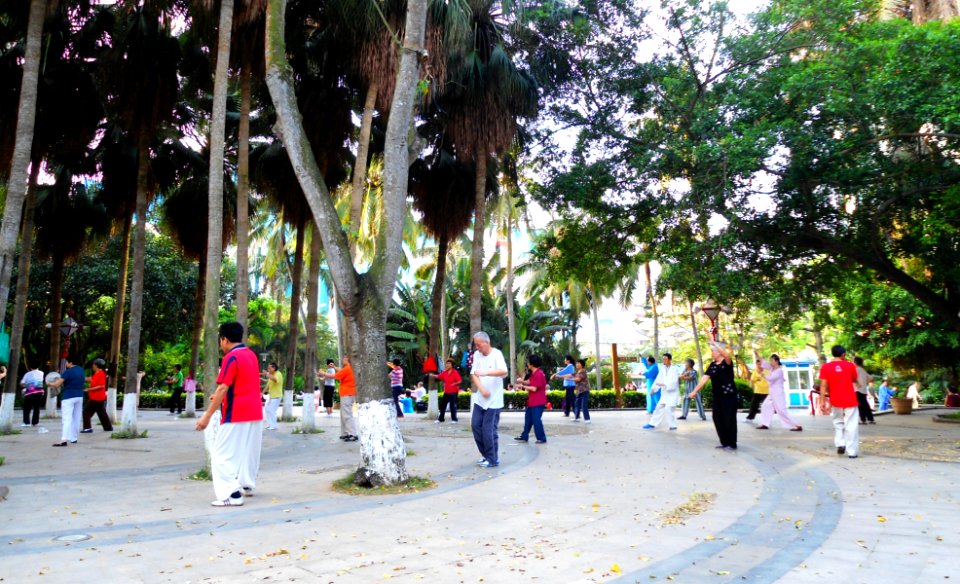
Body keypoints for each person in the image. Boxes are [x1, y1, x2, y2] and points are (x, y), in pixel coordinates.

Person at [195, 322, 264, 506]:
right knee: (248, 451)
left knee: (219, 455)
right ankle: (246, 485)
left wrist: (206, 416)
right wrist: (218, 397)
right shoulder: (251, 355)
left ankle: (231, 495)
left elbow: (223, 387)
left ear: (224, 339)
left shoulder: (231, 358)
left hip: (237, 413)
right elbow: (242, 383)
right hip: (255, 411)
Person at [689, 341, 738, 450]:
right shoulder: (712, 365)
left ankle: (732, 443)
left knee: (729, 419)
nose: (712, 354)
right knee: (717, 418)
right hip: (717, 396)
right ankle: (724, 442)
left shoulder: (727, 362)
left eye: (713, 352)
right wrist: (695, 391)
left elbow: (727, 355)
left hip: (729, 396)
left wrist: (716, 345)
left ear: (719, 352)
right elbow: (704, 379)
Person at [470, 331, 508, 468]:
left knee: (489, 430)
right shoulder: (476, 355)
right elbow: (474, 374)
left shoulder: (497, 354)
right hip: (480, 399)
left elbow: (504, 371)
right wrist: (482, 389)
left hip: (494, 401)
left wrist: (486, 373)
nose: (477, 348)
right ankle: (485, 455)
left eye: (479, 345)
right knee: (475, 426)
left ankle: (492, 459)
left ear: (487, 342)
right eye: (476, 345)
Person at [819, 345, 860, 459]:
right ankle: (852, 452)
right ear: (843, 354)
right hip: (850, 399)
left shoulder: (825, 367)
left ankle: (840, 443)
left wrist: (822, 401)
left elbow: (823, 385)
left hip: (835, 400)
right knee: (851, 425)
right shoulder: (850, 365)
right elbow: (853, 379)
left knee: (838, 422)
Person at [755, 353, 802, 432]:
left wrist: (763, 374)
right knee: (765, 406)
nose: (770, 362)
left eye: (772, 360)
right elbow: (764, 363)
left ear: (776, 361)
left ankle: (796, 425)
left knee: (781, 410)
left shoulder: (779, 371)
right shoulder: (772, 369)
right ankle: (765, 424)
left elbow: (770, 379)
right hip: (772, 392)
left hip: (778, 393)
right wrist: (757, 355)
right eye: (770, 360)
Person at [49, 355, 85, 447]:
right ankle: (74, 438)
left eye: (68, 362)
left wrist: (49, 383)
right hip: (79, 396)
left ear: (71, 363)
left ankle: (64, 439)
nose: (67, 364)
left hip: (69, 396)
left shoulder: (68, 372)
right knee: (76, 418)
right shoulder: (81, 370)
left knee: (67, 418)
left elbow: (57, 384)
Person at [322, 356, 357, 441]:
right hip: (346, 394)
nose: (342, 360)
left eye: (344, 358)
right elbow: (340, 371)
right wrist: (334, 367)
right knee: (343, 415)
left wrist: (323, 373)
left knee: (347, 415)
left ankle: (352, 434)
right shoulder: (348, 368)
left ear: (348, 360)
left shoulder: (348, 368)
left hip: (347, 394)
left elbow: (336, 376)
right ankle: (345, 433)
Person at [515, 354, 548, 443]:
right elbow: (529, 381)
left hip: (538, 402)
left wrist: (522, 386)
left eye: (528, 363)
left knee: (536, 420)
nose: (527, 364)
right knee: (528, 419)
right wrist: (522, 381)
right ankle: (524, 436)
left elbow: (534, 388)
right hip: (532, 402)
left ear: (532, 364)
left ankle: (541, 438)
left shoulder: (539, 374)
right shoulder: (535, 373)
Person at [644, 352, 681, 430]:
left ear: (670, 360)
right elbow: (658, 379)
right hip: (664, 393)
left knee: (669, 409)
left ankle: (672, 425)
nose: (664, 360)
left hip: (672, 393)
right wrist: (653, 389)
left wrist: (665, 384)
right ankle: (652, 423)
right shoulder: (662, 369)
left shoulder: (675, 369)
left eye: (665, 359)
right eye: (663, 359)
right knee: (658, 407)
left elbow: (674, 381)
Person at [81, 358, 113, 433]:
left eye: (93, 364)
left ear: (96, 365)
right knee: (101, 413)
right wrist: (81, 378)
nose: (92, 366)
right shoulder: (97, 373)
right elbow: (91, 379)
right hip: (99, 397)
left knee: (86, 412)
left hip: (97, 397)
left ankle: (87, 428)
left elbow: (102, 386)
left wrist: (89, 389)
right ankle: (108, 427)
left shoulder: (101, 374)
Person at [431, 358, 462, 423]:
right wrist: (432, 375)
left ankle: (454, 419)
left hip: (453, 392)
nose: (447, 365)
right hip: (447, 392)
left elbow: (460, 381)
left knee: (452, 406)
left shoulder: (455, 372)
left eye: (449, 363)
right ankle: (441, 419)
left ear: (452, 365)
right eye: (446, 364)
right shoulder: (445, 372)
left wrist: (454, 383)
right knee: (443, 405)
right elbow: (439, 376)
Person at [20, 362, 47, 432]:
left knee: (27, 408)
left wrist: (26, 385)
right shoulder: (42, 373)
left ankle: (26, 422)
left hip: (29, 393)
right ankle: (35, 422)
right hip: (39, 392)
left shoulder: (27, 374)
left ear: (30, 367)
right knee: (36, 408)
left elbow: (22, 383)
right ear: (38, 366)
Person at [853, 357, 875, 424]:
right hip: (864, 390)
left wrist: (858, 383)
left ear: (855, 362)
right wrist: (866, 382)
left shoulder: (856, 370)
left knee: (860, 405)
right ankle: (870, 419)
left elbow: (852, 378)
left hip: (857, 390)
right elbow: (871, 378)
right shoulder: (863, 370)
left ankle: (863, 419)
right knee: (865, 404)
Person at [261, 362, 282, 431]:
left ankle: (274, 426)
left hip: (276, 396)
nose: (268, 369)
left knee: (272, 411)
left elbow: (275, 380)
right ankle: (271, 425)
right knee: (267, 409)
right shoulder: (272, 375)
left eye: (269, 368)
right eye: (268, 368)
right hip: (271, 396)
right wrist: (262, 393)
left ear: (274, 368)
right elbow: (267, 385)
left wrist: (267, 374)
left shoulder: (278, 374)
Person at [572, 358, 591, 423]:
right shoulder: (577, 371)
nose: (577, 364)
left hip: (584, 391)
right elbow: (569, 375)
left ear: (582, 365)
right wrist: (558, 376)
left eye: (578, 363)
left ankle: (587, 419)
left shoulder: (583, 371)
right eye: (576, 363)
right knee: (577, 405)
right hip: (578, 391)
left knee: (584, 405)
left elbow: (578, 379)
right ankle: (576, 418)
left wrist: (569, 379)